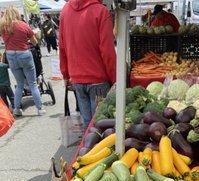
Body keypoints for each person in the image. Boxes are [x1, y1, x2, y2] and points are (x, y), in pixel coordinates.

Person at [59, 0, 116, 129]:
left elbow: (62, 47)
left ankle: (88, 149)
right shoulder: (101, 11)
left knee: (87, 126)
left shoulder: (65, 11)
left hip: (77, 80)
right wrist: (115, 79)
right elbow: (107, 50)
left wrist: (65, 75)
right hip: (98, 80)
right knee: (101, 126)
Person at [0, 6, 45, 116]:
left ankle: (16, 109)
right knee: (32, 83)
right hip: (24, 54)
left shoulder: (3, 27)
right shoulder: (23, 25)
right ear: (16, 13)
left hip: (10, 55)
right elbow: (34, 42)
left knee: (19, 84)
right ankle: (40, 109)